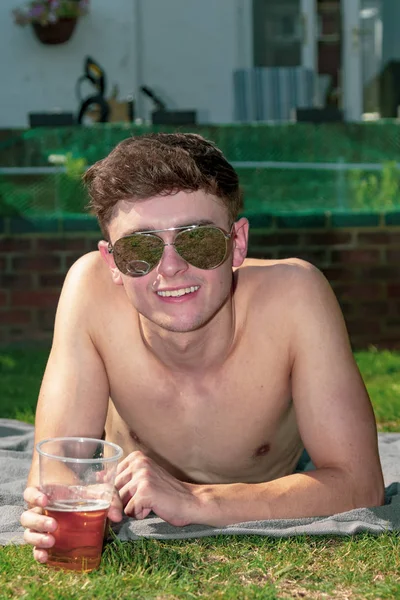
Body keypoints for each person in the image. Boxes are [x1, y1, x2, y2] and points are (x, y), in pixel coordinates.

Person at [20, 132, 384, 564]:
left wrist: (199, 501)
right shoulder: (89, 292)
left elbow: (360, 484)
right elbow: (58, 463)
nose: (171, 268)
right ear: (113, 262)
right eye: (140, 248)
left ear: (238, 244)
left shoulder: (296, 298)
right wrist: (67, 507)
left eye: (198, 240)